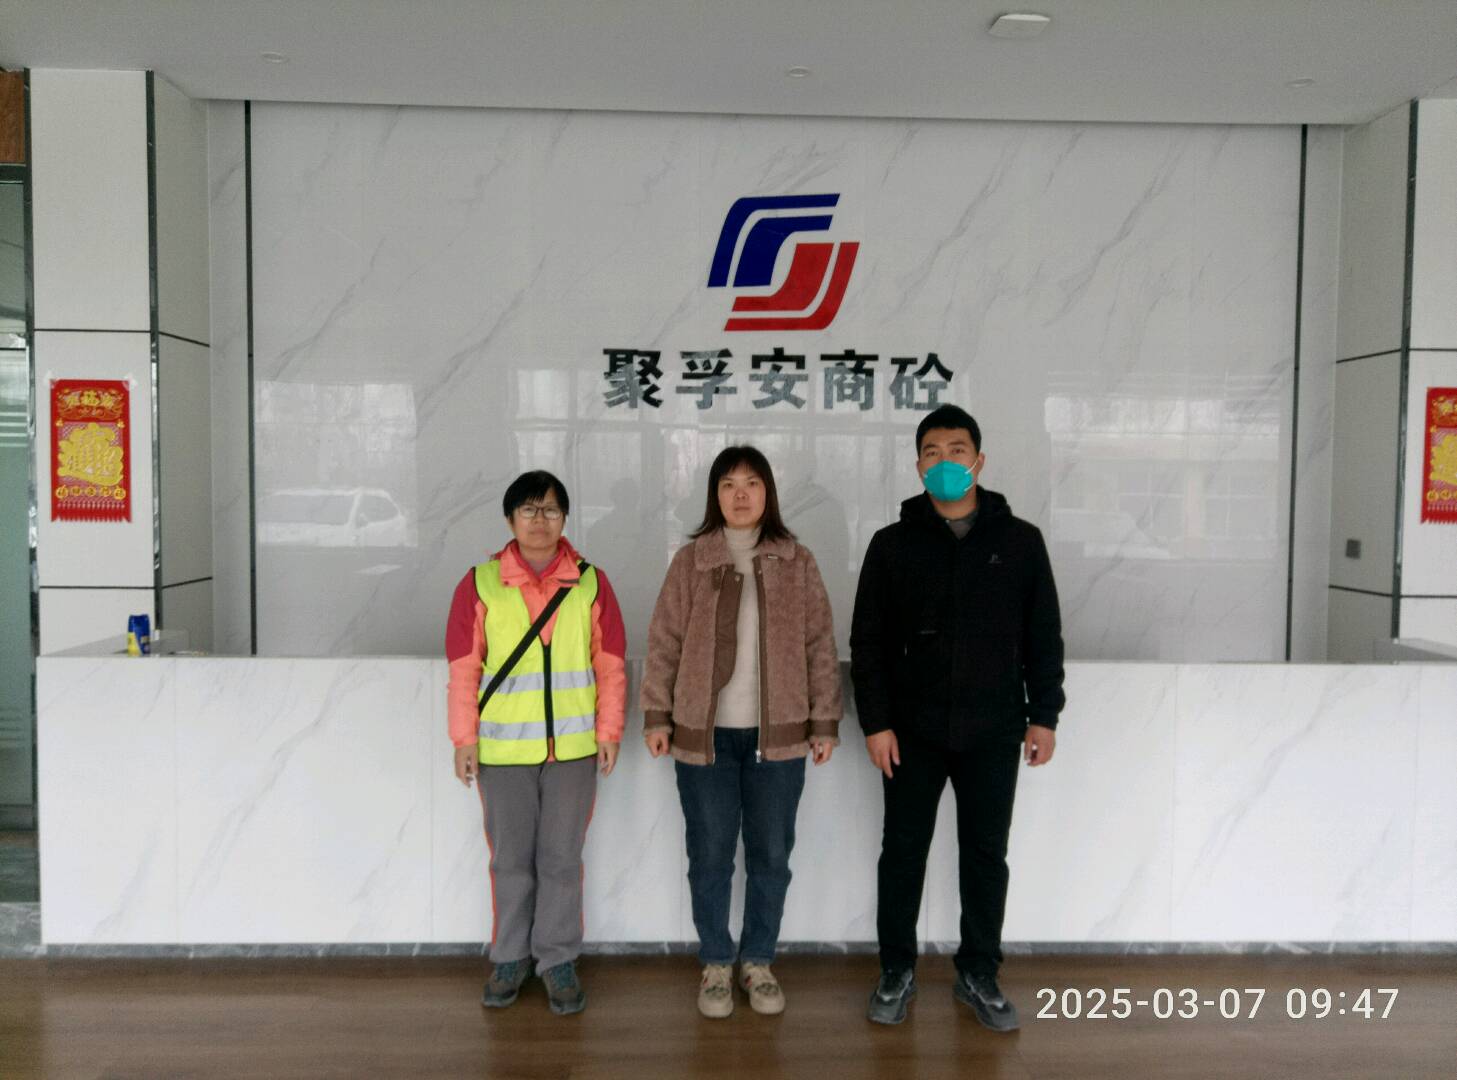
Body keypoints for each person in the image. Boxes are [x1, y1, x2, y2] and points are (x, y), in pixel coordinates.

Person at [851, 405, 1065, 1030]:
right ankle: (897, 969)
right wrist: (876, 722)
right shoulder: (892, 545)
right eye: (932, 452)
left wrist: (1044, 714)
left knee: (985, 856)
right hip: (911, 732)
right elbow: (868, 642)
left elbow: (1043, 635)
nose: (945, 461)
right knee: (902, 854)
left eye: (957, 449)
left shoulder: (1019, 542)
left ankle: (979, 972)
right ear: (918, 465)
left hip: (995, 729)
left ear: (979, 460)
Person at [641, 445, 842, 1019]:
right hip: (703, 737)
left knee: (771, 855)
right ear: (714, 495)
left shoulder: (796, 560)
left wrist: (823, 721)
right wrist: (657, 714)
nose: (740, 494)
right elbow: (664, 641)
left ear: (768, 492)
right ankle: (714, 963)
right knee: (709, 855)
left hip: (778, 738)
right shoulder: (692, 560)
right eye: (728, 484)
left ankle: (758, 961)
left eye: (752, 483)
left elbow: (819, 643)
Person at [444, 470, 627, 1015]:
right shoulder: (479, 583)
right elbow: (463, 668)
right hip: (503, 753)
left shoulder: (591, 583)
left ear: (564, 518)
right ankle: (509, 958)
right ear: (510, 520)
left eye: (549, 509)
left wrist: (609, 731)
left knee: (561, 860)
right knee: (510, 862)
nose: (539, 520)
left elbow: (610, 664)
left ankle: (557, 960)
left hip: (572, 751)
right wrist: (463, 739)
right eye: (528, 510)